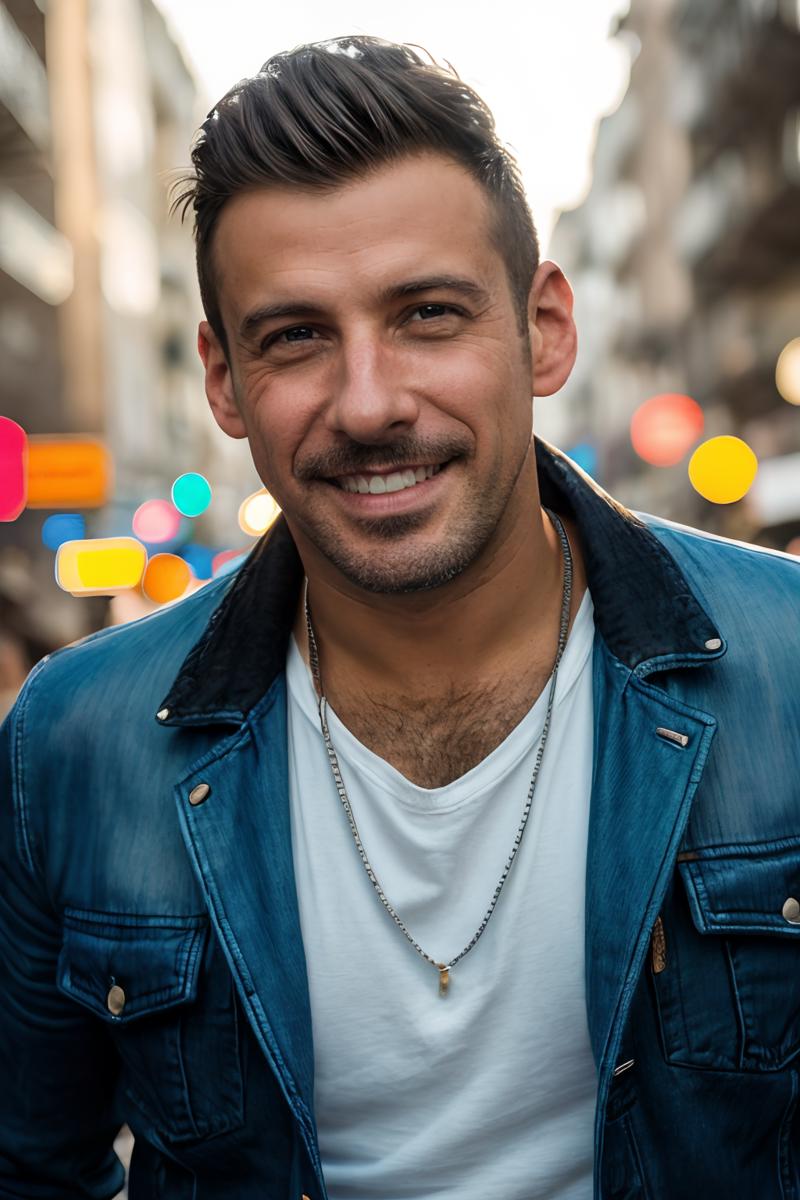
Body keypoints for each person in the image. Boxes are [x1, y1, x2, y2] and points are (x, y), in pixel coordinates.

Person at [1, 35, 799, 1200]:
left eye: (427, 314)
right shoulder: (77, 745)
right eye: (295, 337)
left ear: (544, 330)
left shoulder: (784, 671)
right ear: (222, 380)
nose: (368, 404)